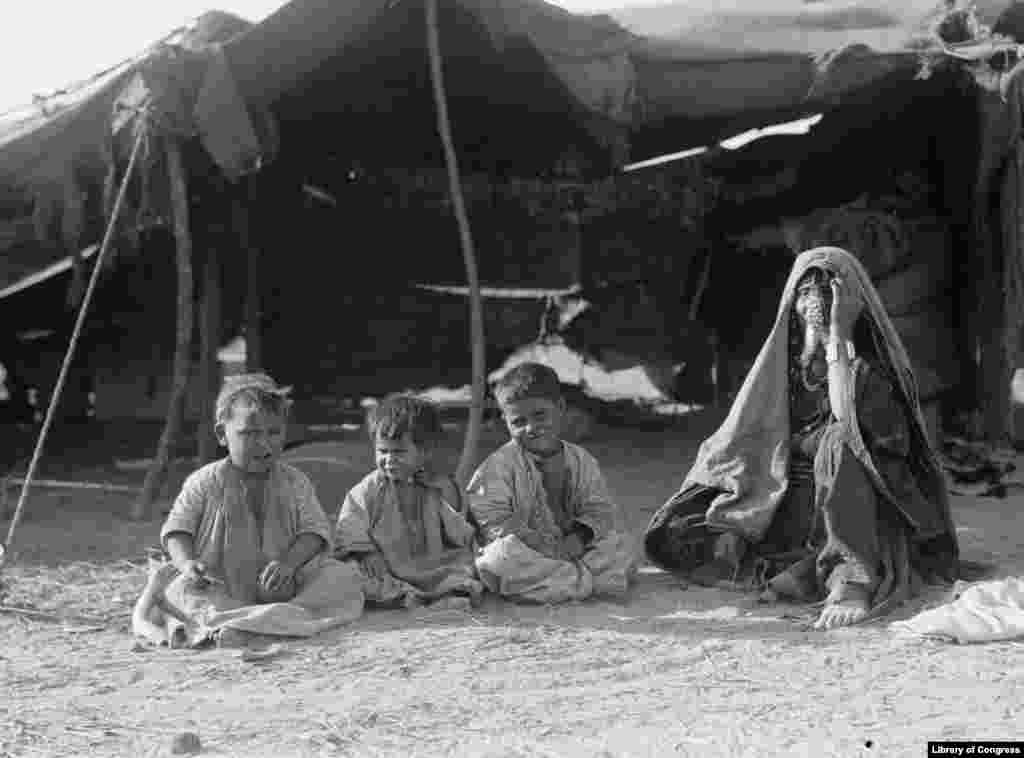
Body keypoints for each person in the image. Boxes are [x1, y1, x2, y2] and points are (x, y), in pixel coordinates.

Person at [644, 247, 960, 629]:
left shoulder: (869, 368)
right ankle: (797, 566)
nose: (816, 303)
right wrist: (736, 508)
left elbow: (849, 424)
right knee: (682, 531)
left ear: (852, 301)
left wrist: (838, 336)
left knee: (838, 442)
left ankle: (851, 580)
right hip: (786, 501)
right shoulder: (784, 369)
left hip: (854, 507)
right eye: (806, 292)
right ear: (791, 301)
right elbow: (740, 439)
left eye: (829, 293)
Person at [133, 372, 364, 648]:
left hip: (284, 587)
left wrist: (288, 564)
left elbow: (313, 531)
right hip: (218, 586)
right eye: (250, 434)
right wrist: (187, 563)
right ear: (222, 434)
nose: (263, 443)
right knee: (179, 591)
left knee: (342, 579)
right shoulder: (204, 481)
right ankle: (255, 624)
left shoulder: (295, 481)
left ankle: (247, 623)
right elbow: (177, 530)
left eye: (273, 433)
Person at [469, 362, 635, 604]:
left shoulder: (582, 460)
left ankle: (566, 583)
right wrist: (537, 543)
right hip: (528, 552)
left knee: (620, 544)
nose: (531, 428)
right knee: (499, 559)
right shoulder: (498, 465)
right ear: (505, 421)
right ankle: (586, 582)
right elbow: (490, 518)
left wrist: (578, 539)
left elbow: (598, 509)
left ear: (560, 407)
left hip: (572, 549)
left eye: (539, 416)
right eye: (518, 422)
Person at [335, 393, 483, 609]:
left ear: (425, 452)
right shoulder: (370, 488)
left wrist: (445, 489)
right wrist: (366, 553)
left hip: (431, 564)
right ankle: (406, 596)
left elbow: (459, 530)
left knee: (468, 566)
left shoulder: (435, 485)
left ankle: (442, 595)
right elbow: (350, 524)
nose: (389, 459)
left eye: (399, 452)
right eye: (382, 451)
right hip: (385, 565)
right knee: (349, 574)